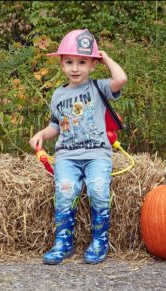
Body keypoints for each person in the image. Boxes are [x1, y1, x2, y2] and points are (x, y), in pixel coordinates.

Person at [29, 29, 127, 264]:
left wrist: (106, 58)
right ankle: (63, 242)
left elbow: (121, 79)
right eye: (69, 62)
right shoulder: (58, 94)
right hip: (67, 156)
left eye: (82, 62)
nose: (75, 68)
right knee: (64, 192)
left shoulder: (99, 87)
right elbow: (56, 125)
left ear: (93, 65)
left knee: (98, 190)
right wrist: (42, 133)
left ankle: (99, 241)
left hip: (97, 154)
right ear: (62, 64)